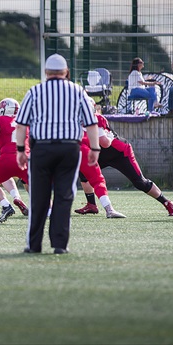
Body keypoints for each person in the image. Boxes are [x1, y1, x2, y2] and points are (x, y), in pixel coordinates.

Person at [16, 53, 101, 254]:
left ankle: (34, 245)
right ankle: (60, 246)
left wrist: (20, 150)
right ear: (66, 73)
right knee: (64, 196)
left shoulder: (35, 91)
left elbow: (21, 124)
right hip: (69, 148)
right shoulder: (77, 91)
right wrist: (95, 148)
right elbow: (91, 122)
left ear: (46, 73)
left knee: (39, 197)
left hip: (42, 149)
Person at [75, 104, 173, 216]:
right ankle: (91, 205)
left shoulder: (97, 118)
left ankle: (167, 202)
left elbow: (105, 143)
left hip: (119, 152)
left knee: (140, 182)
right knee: (84, 173)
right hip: (101, 153)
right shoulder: (77, 121)